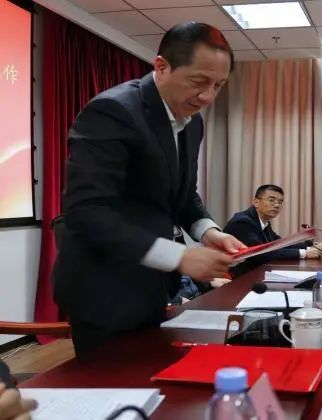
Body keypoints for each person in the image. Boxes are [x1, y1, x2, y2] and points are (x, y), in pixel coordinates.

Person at [53, 22, 246, 356]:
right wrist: (180, 256)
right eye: (199, 81)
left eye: (218, 85)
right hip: (103, 288)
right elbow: (86, 211)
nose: (207, 97)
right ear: (162, 66)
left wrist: (208, 232)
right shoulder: (113, 111)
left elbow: (182, 194)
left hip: (152, 285)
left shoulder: (193, 122)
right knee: (114, 383)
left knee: (153, 377)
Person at [223, 184, 322, 276]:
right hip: (233, 278)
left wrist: (313, 246)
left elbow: (279, 244)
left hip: (253, 272)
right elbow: (261, 254)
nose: (277, 205)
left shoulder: (263, 222)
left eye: (280, 202)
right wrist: (305, 253)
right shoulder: (243, 222)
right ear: (256, 202)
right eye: (271, 200)